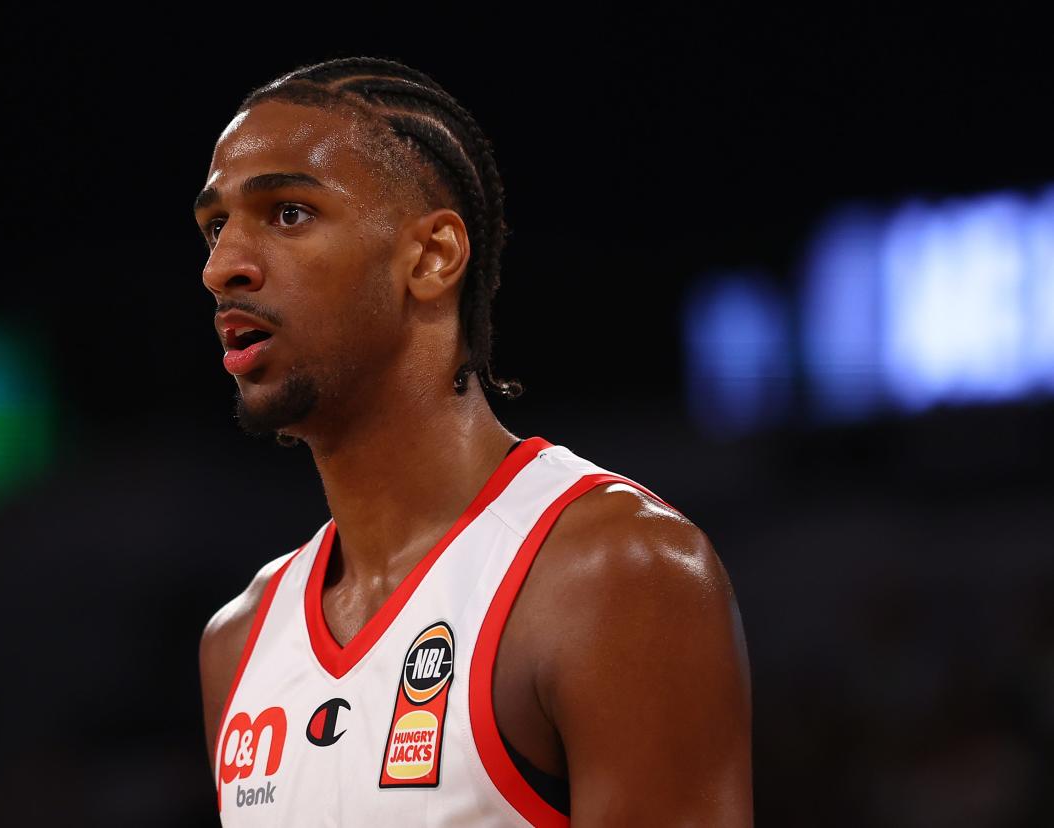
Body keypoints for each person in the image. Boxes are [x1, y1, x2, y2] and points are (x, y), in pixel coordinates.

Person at [195, 56, 752, 826]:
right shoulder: (241, 639)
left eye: (288, 213)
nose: (222, 267)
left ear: (431, 257)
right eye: (216, 226)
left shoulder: (614, 571)